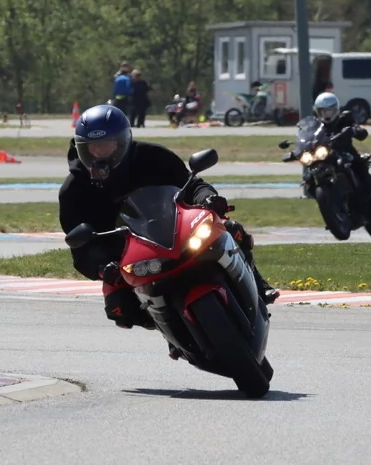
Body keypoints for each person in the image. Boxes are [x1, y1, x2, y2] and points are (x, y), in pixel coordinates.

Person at [58, 105, 279, 350]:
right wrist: (101, 267)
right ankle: (171, 332)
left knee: (230, 229)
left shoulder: (152, 156)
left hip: (175, 227)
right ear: (82, 149)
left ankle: (258, 284)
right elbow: (79, 246)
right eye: (93, 148)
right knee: (119, 307)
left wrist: (208, 198)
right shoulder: (73, 190)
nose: (100, 154)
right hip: (125, 254)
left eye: (106, 145)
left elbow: (191, 182)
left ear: (122, 142)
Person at [313, 92, 371, 210]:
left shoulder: (344, 119)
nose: (325, 114)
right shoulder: (316, 125)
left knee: (358, 166)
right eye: (322, 111)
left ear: (335, 109)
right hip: (327, 157)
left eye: (328, 110)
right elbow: (308, 137)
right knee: (312, 173)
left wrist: (355, 130)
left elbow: (360, 131)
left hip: (346, 153)